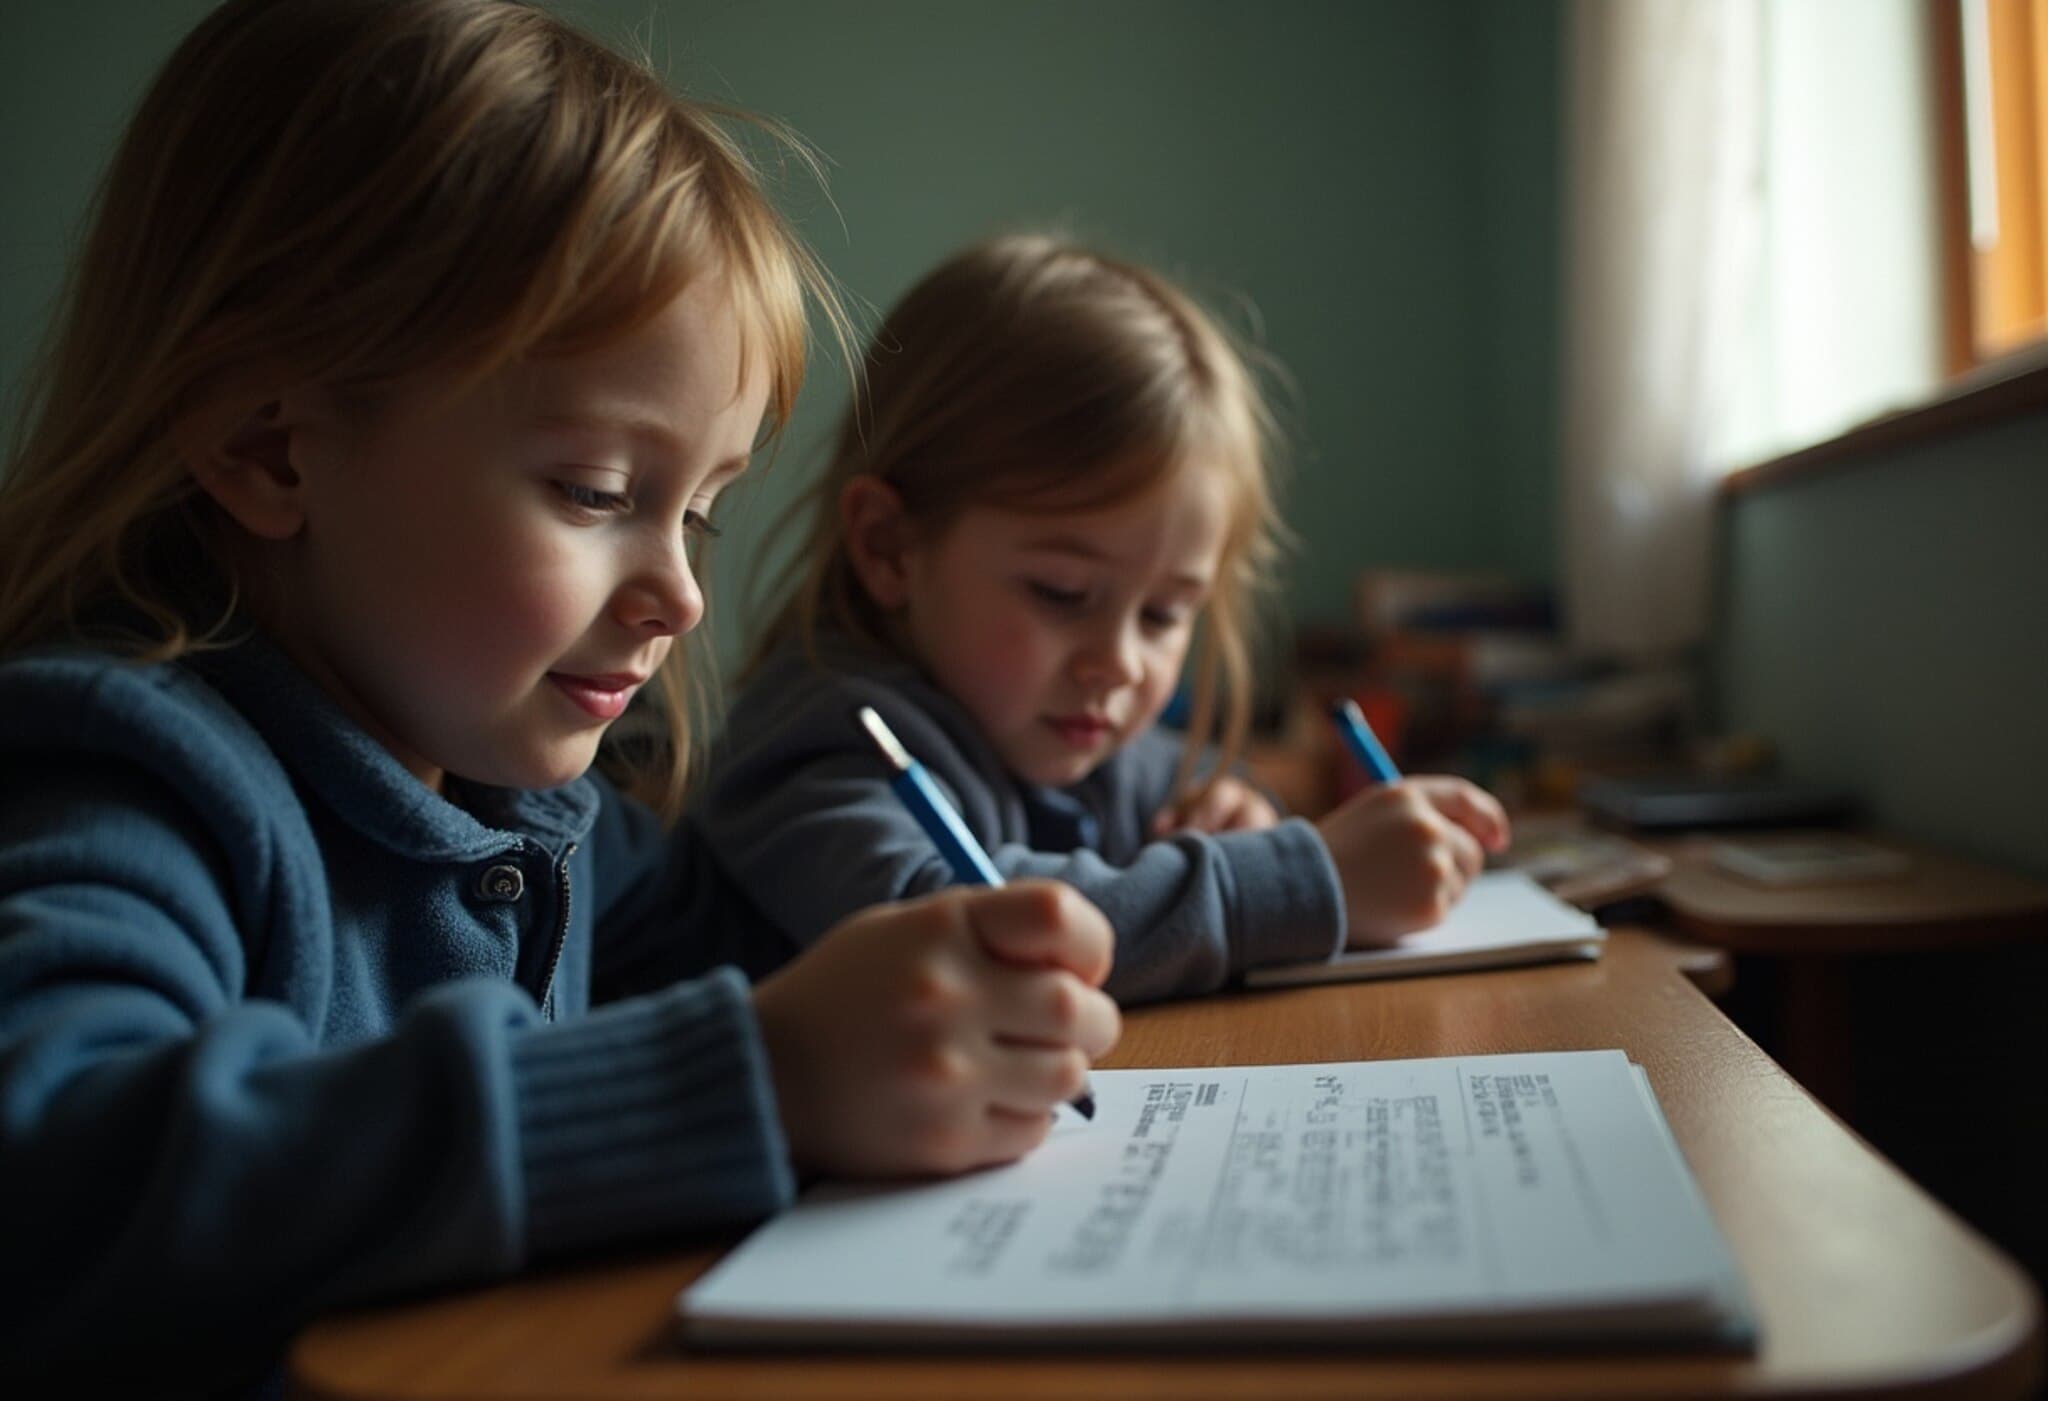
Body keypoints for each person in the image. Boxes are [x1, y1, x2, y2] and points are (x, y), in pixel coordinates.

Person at [0, 3, 1117, 1389]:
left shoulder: (513, 797)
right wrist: (756, 1079)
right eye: (597, 492)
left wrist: (1090, 885)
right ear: (265, 448)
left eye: (699, 517)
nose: (682, 594)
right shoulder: (128, 779)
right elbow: (51, 1176)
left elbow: (757, 917)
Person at [692, 234, 1512, 1005]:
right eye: (1060, 591)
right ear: (890, 547)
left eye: (1163, 613)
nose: (1118, 663)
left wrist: (1233, 816)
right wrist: (1298, 880)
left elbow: (1178, 794)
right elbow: (963, 931)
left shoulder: (1070, 737)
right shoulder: (821, 748)